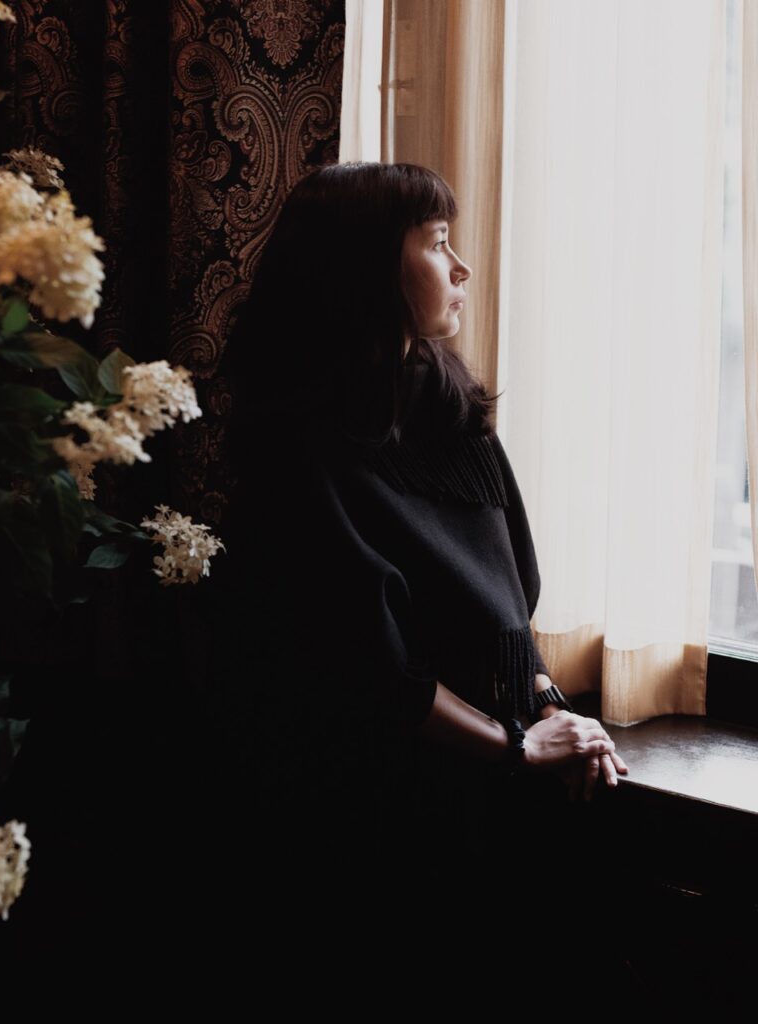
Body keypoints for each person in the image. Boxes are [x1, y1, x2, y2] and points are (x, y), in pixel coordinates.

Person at [201, 161, 631, 987]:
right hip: (374, 804)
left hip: (488, 778)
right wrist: (516, 748)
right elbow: (372, 672)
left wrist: (546, 705)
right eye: (437, 243)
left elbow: (506, 603)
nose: (461, 267)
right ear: (365, 269)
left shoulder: (447, 403)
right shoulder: (303, 453)